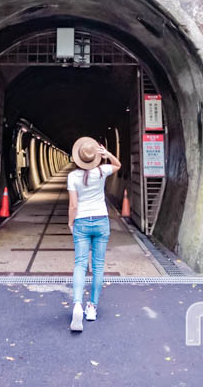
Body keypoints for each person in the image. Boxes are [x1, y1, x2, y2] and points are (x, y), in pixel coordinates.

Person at [67, 136, 121, 332]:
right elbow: (118, 165)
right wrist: (108, 155)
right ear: (95, 157)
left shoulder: (73, 177)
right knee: (98, 266)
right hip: (101, 221)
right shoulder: (102, 171)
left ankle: (77, 305)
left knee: (80, 264)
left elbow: (73, 205)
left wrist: (70, 222)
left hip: (81, 221)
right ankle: (92, 307)